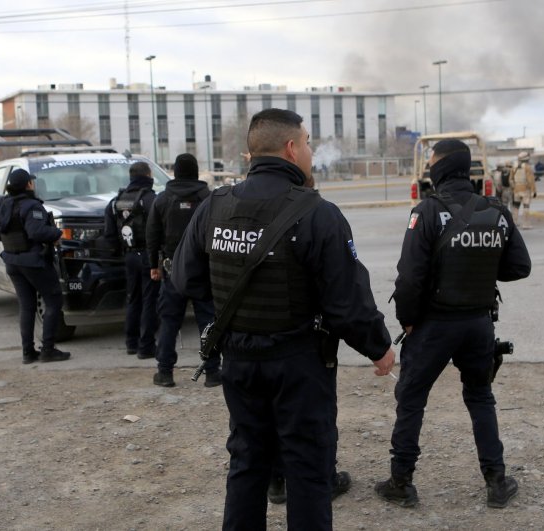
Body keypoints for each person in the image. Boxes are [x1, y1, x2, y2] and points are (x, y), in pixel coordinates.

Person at [172, 108, 396, 530]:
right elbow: (347, 301)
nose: (311, 151)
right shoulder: (317, 213)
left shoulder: (214, 206)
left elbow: (185, 278)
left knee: (247, 462)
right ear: (292, 149)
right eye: (308, 142)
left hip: (238, 360)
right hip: (298, 363)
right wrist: (379, 348)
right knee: (308, 469)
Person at [376, 139, 532, 510]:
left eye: (431, 162)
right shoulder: (496, 210)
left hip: (433, 326)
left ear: (440, 168)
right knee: (480, 397)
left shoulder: (427, 211)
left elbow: (409, 279)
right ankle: (496, 481)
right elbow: (518, 266)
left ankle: (401, 482)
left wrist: (408, 322)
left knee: (411, 400)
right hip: (478, 324)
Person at [145, 153, 220, 387]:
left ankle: (165, 372)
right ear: (196, 172)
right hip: (203, 269)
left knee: (169, 321)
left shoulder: (163, 199)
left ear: (175, 172)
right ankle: (212, 372)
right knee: (208, 321)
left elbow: (152, 235)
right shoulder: (209, 198)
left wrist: (153, 265)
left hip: (172, 270)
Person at [0, 169, 70, 364]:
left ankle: (28, 352)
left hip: (12, 261)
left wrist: (11, 242)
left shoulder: (2, 203)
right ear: (28, 184)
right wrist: (57, 234)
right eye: (31, 182)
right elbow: (36, 232)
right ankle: (48, 350)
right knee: (53, 302)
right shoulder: (32, 205)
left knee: (27, 306)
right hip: (33, 261)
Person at [104, 162, 159, 359]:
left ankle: (131, 343)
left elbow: (109, 233)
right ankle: (146, 346)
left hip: (129, 256)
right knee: (149, 300)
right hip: (147, 255)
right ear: (147, 175)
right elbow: (158, 228)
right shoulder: (150, 198)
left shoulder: (116, 200)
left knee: (133, 299)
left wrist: (118, 251)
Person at [510, 151, 537, 229]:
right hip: (525, 190)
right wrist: (533, 191)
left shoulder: (514, 167)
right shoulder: (527, 167)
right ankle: (526, 224)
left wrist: (514, 188)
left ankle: (514, 223)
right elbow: (531, 180)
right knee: (526, 207)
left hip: (516, 190)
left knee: (516, 207)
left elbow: (511, 179)